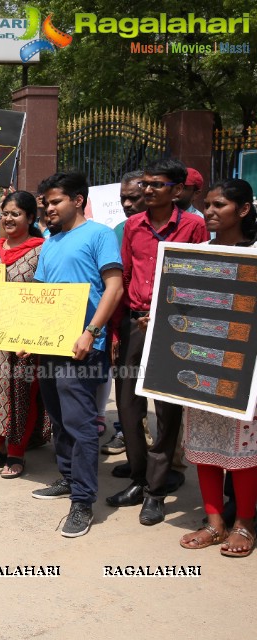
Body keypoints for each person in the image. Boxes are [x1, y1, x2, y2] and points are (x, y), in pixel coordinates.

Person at [108, 159, 209, 526]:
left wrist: (170, 314)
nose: (147, 191)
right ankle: (138, 476)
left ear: (177, 190)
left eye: (157, 185)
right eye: (145, 184)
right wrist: (118, 329)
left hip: (174, 329)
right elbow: (127, 274)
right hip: (135, 322)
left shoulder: (194, 227)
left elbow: (201, 280)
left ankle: (156, 492)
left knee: (167, 410)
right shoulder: (133, 226)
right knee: (129, 405)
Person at [30, 171, 123, 538]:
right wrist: (28, 334)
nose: (49, 209)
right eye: (46, 203)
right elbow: (38, 295)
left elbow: (114, 286)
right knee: (58, 418)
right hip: (48, 346)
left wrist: (91, 332)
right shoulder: (50, 242)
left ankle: (83, 502)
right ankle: (68, 478)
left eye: (55, 202)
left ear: (78, 200)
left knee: (82, 425)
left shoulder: (99, 235)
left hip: (82, 349)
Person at [178, 179, 257, 557]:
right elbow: (186, 307)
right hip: (200, 363)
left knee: (242, 450)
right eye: (206, 204)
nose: (208, 211)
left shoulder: (256, 253)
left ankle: (244, 523)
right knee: (204, 445)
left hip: (244, 368)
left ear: (242, 210)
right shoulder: (196, 253)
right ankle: (214, 522)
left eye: (219, 205)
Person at [0, 191, 48, 478]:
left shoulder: (41, 250)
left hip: (24, 337)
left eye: (15, 213)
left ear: (30, 218)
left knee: (21, 394)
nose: (8, 218)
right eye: (5, 213)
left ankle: (16, 453)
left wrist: (34, 334)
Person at [103, 170, 147, 458]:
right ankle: (136, 464)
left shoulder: (189, 227)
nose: (128, 204)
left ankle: (168, 468)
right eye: (123, 199)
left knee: (161, 400)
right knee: (127, 396)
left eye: (134, 197)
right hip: (127, 322)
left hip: (160, 322)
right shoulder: (119, 230)